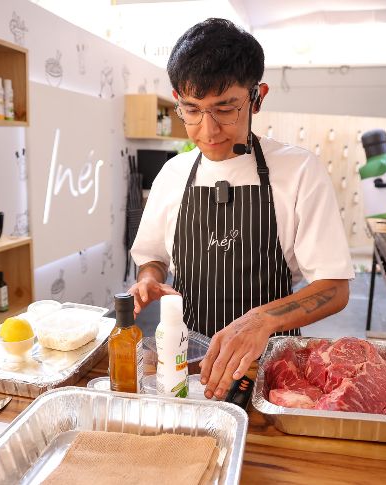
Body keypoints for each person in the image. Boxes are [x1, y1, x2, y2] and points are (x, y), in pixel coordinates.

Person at [128, 18, 354, 400]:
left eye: (225, 108)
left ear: (257, 97)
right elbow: (152, 257)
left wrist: (260, 320)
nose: (208, 130)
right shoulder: (173, 174)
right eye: (192, 110)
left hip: (273, 373)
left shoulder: (298, 170)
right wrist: (149, 278)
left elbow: (334, 288)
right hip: (188, 366)